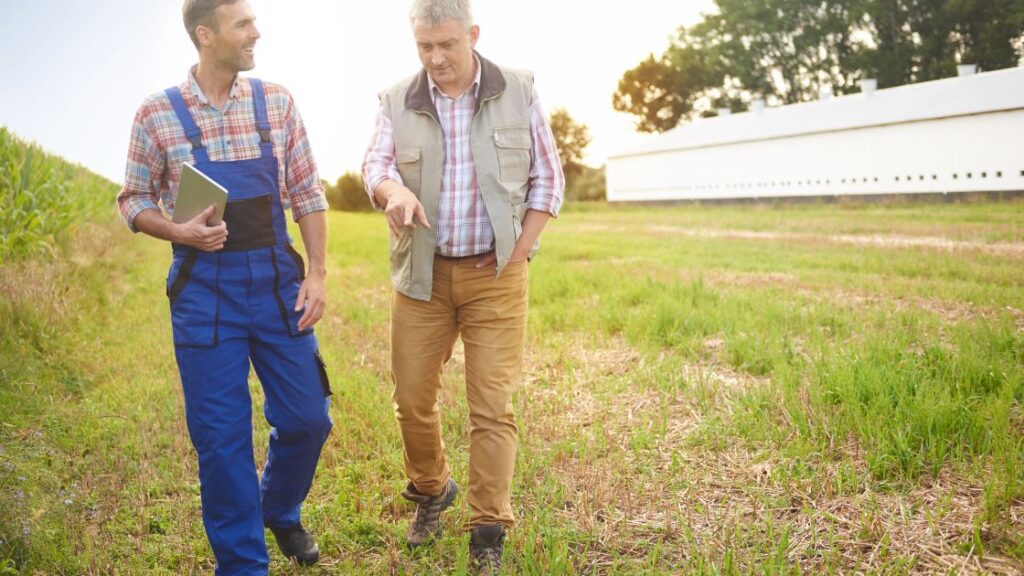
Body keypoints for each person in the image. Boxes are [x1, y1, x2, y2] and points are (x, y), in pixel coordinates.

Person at [115, 1, 332, 572]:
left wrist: (317, 273)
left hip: (277, 284)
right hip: (203, 292)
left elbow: (307, 191)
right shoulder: (157, 114)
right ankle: (242, 565)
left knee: (310, 418)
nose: (256, 32)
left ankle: (279, 509)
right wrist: (174, 227)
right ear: (205, 35)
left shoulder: (276, 101)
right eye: (243, 24)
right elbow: (132, 200)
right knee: (222, 443)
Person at [361, 0, 564, 572]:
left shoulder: (518, 90)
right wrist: (392, 192)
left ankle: (487, 529)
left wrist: (520, 253)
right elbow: (374, 166)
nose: (436, 57)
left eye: (447, 44)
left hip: (496, 276)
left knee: (492, 408)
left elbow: (549, 177)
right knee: (411, 400)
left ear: (472, 35)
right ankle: (431, 489)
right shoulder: (396, 98)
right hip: (421, 277)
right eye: (425, 47)